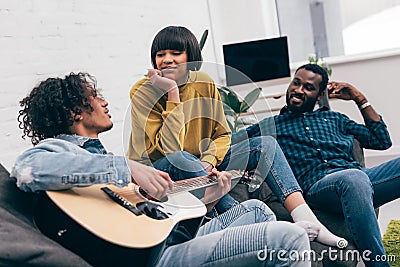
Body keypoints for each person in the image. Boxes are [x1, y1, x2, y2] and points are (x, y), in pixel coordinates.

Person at [11, 72, 312, 267]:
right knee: (290, 239)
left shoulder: (98, 168)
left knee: (257, 209)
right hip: (152, 259)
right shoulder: (60, 150)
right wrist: (128, 167)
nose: (104, 102)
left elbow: (152, 221)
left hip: (163, 240)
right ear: (74, 111)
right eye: (94, 96)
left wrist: (209, 198)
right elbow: (28, 169)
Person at [127, 25, 347, 249]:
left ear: (190, 56)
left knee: (265, 144)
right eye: (160, 54)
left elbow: (222, 133)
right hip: (159, 170)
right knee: (182, 157)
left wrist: (208, 161)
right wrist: (172, 92)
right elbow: (169, 150)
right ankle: (252, 224)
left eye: (175, 53)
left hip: (200, 164)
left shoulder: (203, 82)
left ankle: (307, 219)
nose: (167, 60)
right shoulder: (143, 91)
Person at [233, 63, 400, 266]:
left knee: (356, 178)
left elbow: (382, 140)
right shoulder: (270, 126)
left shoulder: (336, 119)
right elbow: (229, 144)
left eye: (308, 87)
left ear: (320, 95)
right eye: (296, 83)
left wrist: (359, 98)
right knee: (353, 178)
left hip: (358, 180)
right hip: (318, 187)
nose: (298, 90)